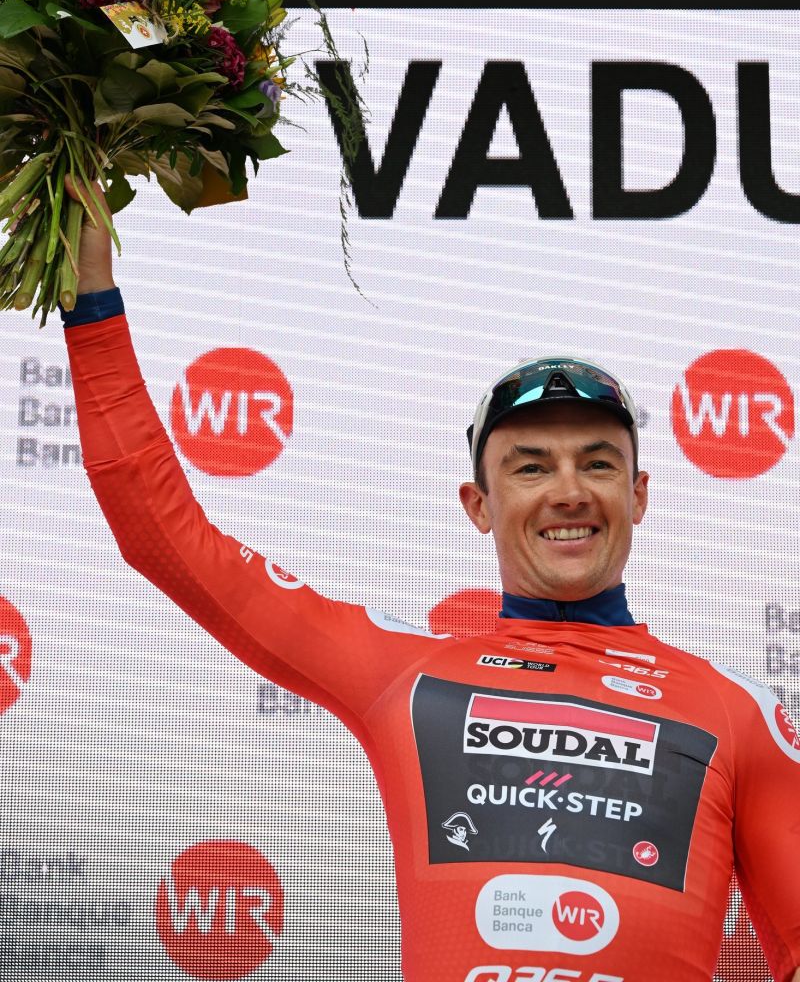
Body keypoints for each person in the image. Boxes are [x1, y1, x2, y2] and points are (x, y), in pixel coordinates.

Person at [61, 186, 800, 982]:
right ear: (478, 505)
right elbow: (164, 537)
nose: (569, 492)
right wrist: (90, 300)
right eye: (530, 468)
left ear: (638, 495)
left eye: (597, 463)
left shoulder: (739, 713)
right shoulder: (409, 676)